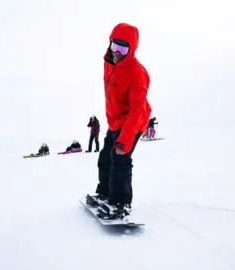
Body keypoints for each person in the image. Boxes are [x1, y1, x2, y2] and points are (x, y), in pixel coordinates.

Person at [86, 23, 152, 220]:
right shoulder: (109, 62)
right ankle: (105, 193)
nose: (117, 52)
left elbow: (137, 110)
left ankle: (120, 203)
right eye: (115, 46)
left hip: (134, 121)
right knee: (105, 158)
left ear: (131, 50)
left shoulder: (137, 73)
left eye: (123, 49)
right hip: (116, 121)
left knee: (120, 160)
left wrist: (126, 139)